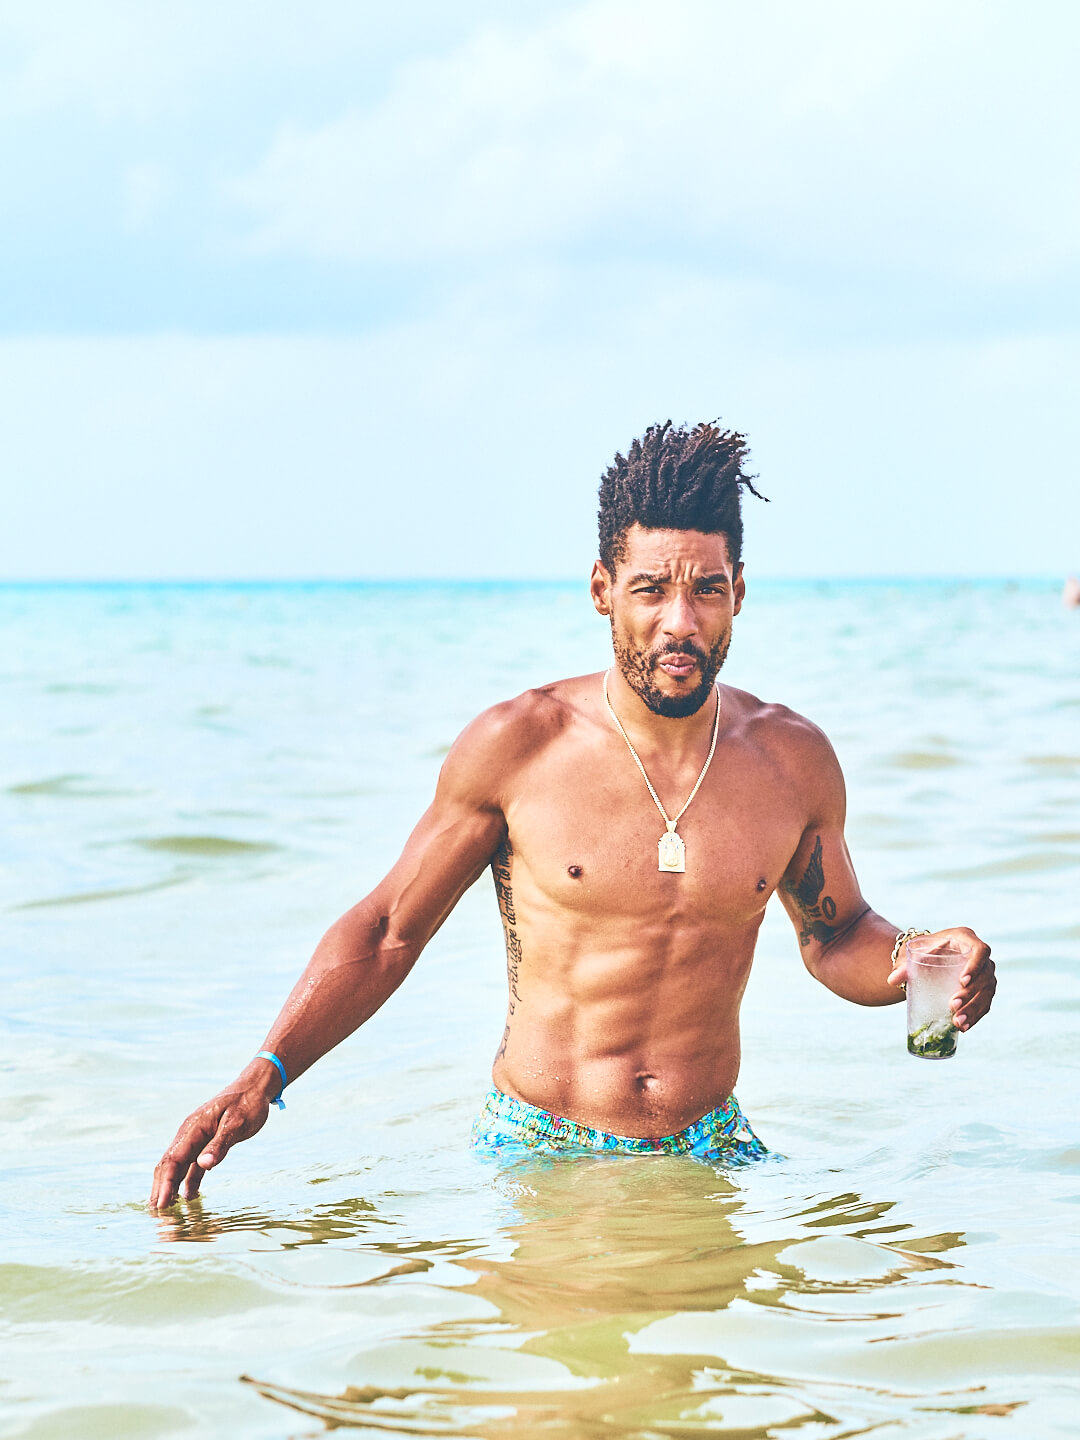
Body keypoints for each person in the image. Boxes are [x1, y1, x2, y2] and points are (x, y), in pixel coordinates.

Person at [150, 421, 996, 1208]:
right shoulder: (519, 748)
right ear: (602, 590)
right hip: (540, 1146)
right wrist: (265, 1073)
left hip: (712, 1148)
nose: (681, 621)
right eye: (651, 590)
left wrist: (921, 959)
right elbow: (385, 933)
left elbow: (836, 935)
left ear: (739, 591)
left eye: (707, 590)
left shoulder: (791, 761)